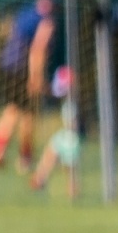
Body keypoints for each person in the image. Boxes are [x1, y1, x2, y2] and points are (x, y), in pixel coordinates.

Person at [0, 0, 60, 173]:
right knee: (28, 114)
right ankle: (25, 158)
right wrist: (35, 77)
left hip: (7, 66)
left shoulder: (25, 14)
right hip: (24, 70)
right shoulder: (46, 22)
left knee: (12, 109)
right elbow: (38, 49)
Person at [29, 67, 82, 199]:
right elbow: (53, 92)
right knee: (52, 153)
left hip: (72, 138)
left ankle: (72, 190)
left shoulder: (73, 102)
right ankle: (40, 178)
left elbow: (75, 123)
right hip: (66, 136)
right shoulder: (68, 100)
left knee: (69, 168)